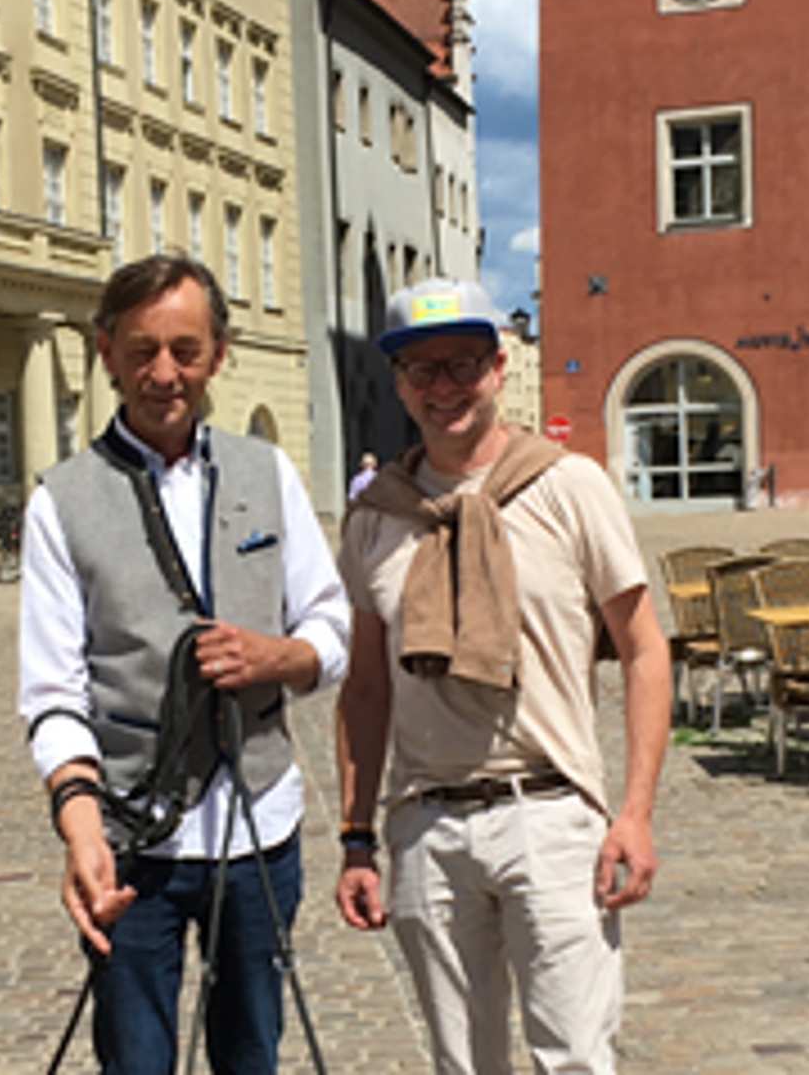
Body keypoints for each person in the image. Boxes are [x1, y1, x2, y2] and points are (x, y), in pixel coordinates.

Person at [18, 254, 350, 1075]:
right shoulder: (61, 499)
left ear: (219, 352)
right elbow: (54, 689)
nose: (164, 374)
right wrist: (80, 824)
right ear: (106, 351)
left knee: (251, 1054)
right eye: (142, 351)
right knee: (133, 1061)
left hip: (258, 823)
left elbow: (332, 623)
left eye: (185, 350)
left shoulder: (266, 472)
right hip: (132, 837)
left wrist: (281, 656)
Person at [334, 278, 673, 1074]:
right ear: (398, 384)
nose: (442, 387)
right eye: (422, 370)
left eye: (460, 364)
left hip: (551, 816)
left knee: (575, 1062)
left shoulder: (568, 485)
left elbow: (645, 649)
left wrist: (635, 811)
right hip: (427, 826)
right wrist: (357, 838)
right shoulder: (376, 515)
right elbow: (365, 689)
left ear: (496, 367)